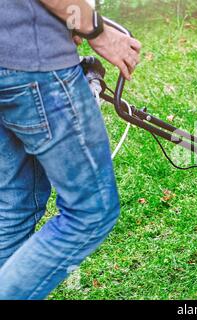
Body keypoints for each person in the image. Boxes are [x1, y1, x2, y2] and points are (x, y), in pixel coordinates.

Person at [0, 0, 141, 299]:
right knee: (91, 212)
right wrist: (96, 30)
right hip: (33, 65)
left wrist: (66, 19)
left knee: (16, 201)